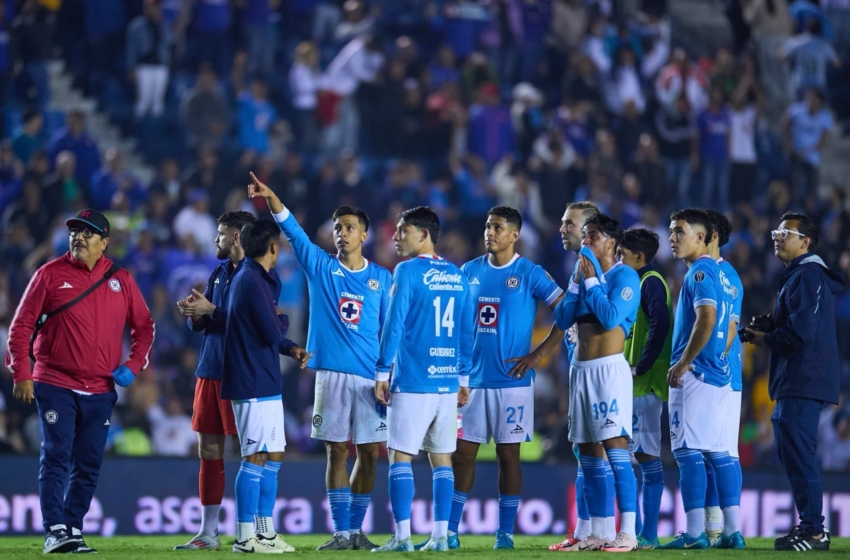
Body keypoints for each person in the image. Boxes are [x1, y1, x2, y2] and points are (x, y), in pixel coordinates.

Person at [248, 172, 392, 551]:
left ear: (365, 235)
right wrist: (271, 198)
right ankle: (341, 531)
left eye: (349, 227)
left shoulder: (381, 277)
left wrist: (387, 372)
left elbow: (393, 331)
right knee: (336, 451)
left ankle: (356, 529)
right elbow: (293, 231)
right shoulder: (320, 266)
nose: (341, 233)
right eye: (337, 227)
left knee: (369, 454)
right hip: (330, 375)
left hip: (369, 378)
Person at [5, 209, 155, 553]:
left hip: (100, 389)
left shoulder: (122, 279)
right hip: (54, 381)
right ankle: (54, 529)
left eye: (88, 233)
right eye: (74, 231)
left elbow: (145, 327)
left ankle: (72, 529)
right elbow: (21, 327)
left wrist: (133, 365)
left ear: (105, 242)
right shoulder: (48, 274)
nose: (79, 238)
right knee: (57, 455)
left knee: (88, 462)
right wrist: (22, 373)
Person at [446, 206, 564, 550]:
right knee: (462, 455)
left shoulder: (530, 273)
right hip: (471, 382)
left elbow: (566, 310)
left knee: (508, 457)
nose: (490, 232)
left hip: (512, 384)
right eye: (487, 226)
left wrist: (539, 352)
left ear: (515, 235)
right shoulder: (468, 271)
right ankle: (450, 531)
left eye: (497, 227)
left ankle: (505, 534)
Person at [742, 212, 846, 552]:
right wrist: (769, 325)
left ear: (806, 241)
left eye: (785, 232)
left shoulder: (808, 276)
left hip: (803, 379)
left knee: (801, 456)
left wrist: (765, 338)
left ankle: (815, 532)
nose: (776, 236)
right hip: (795, 379)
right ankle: (809, 527)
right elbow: (796, 323)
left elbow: (802, 332)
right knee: (793, 456)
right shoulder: (798, 276)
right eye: (776, 230)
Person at [372, 206, 473, 552]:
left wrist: (382, 372)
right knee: (441, 458)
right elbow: (465, 332)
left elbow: (393, 324)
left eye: (403, 230)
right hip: (447, 385)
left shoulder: (407, 271)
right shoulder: (458, 276)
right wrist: (464, 378)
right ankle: (441, 537)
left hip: (413, 380)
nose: (395, 237)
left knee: (400, 456)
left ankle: (402, 538)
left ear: (424, 235)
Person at [552, 213, 641, 552]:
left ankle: (628, 533)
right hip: (581, 370)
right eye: (585, 235)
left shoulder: (625, 277)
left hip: (607, 371)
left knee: (615, 449)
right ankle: (599, 533)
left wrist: (590, 282)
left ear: (612, 244)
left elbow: (609, 318)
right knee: (586, 453)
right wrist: (576, 283)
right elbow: (562, 318)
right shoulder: (584, 273)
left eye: (593, 236)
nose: (586, 241)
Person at [221, 219, 309, 553]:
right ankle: (245, 537)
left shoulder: (259, 279)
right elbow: (274, 330)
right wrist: (282, 320)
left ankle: (265, 532)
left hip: (264, 378)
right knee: (254, 456)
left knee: (273, 454)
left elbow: (272, 330)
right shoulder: (249, 280)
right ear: (273, 247)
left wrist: (288, 342)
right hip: (250, 381)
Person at [172, 210, 254, 550]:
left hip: (241, 373)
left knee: (248, 452)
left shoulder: (256, 274)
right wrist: (195, 315)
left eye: (221, 234)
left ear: (236, 237)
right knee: (209, 450)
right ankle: (209, 533)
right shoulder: (219, 272)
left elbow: (254, 324)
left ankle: (251, 530)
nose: (215, 240)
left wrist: (212, 312)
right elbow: (210, 324)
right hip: (210, 370)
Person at [661, 209, 736, 550]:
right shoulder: (723, 275)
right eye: (671, 231)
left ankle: (693, 534)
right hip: (719, 374)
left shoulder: (700, 273)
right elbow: (729, 327)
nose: (672, 238)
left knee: (687, 451)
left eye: (679, 232)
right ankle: (731, 532)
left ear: (701, 238)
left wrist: (684, 362)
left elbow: (706, 319)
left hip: (696, 373)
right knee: (720, 453)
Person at [617, 227, 673, 550]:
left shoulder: (649, 281)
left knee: (645, 457)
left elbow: (661, 322)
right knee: (629, 455)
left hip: (644, 386)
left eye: (623, 254)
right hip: (633, 386)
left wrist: (644, 364)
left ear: (639, 257)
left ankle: (647, 534)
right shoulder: (637, 282)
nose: (619, 259)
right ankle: (636, 532)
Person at [702, 208, 746, 549]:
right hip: (728, 376)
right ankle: (719, 530)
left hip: (718, 375)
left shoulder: (717, 274)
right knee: (719, 453)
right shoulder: (728, 273)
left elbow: (728, 327)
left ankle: (727, 530)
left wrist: (716, 360)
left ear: (712, 236)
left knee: (718, 453)